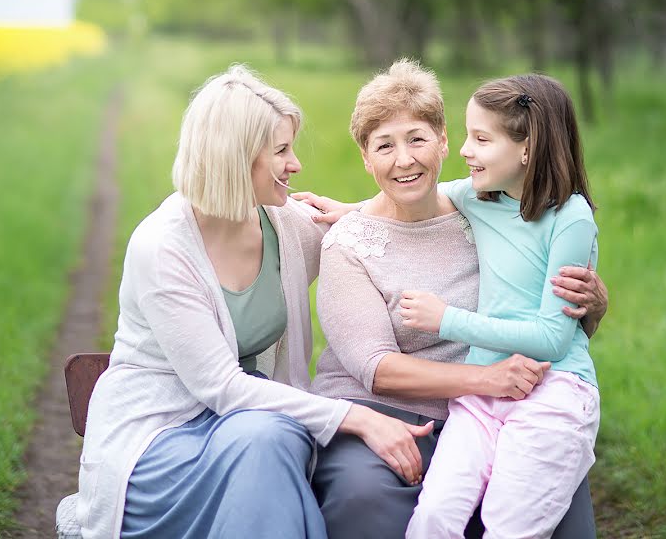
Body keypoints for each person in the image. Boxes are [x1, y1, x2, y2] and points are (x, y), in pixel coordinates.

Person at [74, 64, 434, 539]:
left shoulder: (284, 226)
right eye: (281, 151)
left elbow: (407, 214)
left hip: (247, 429)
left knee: (275, 435)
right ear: (235, 158)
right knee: (268, 437)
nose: (296, 164)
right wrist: (357, 417)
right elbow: (222, 388)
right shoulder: (162, 248)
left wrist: (358, 212)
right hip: (158, 443)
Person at [295, 60, 607, 539]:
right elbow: (376, 368)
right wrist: (486, 379)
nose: (404, 159)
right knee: (372, 504)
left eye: (417, 139)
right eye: (384, 146)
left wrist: (594, 303)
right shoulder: (350, 244)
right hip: (385, 410)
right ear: (365, 158)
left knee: (556, 513)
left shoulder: (487, 206)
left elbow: (541, 311)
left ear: (443, 140)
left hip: (498, 402)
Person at [403, 74, 601, 538]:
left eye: (481, 139)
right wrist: (342, 209)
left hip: (553, 389)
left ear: (527, 147)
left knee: (509, 527)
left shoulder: (571, 217)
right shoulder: (478, 196)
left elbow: (554, 338)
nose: (465, 150)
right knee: (433, 520)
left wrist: (447, 321)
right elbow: (406, 200)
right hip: (481, 395)